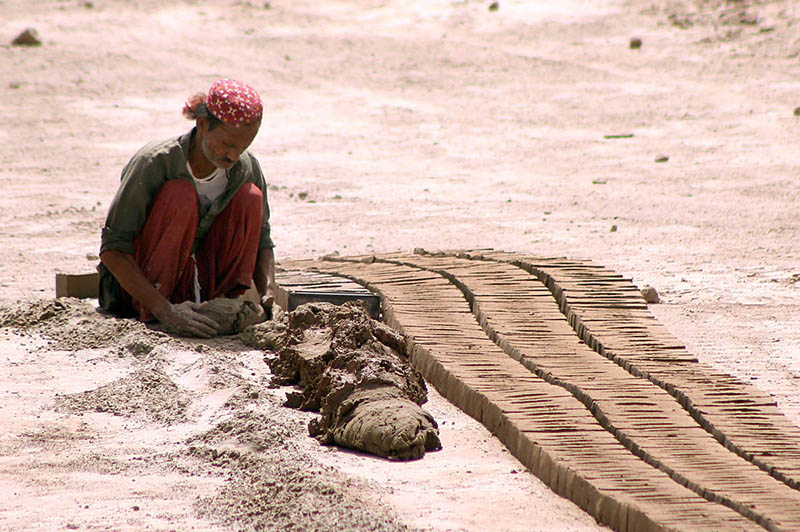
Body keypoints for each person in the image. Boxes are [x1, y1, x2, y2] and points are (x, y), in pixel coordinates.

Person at [98, 78, 275, 338]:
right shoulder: (155, 162)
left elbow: (262, 238)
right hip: (140, 294)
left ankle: (219, 303)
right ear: (202, 125)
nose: (233, 156)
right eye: (227, 144)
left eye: (243, 147)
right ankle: (158, 310)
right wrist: (165, 311)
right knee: (179, 195)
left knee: (250, 197)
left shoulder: (245, 168)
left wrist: (270, 294)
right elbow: (113, 249)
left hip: (202, 289)